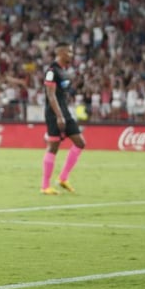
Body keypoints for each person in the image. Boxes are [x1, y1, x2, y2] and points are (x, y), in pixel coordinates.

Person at [40, 42, 86, 195]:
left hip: (65, 111)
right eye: (69, 52)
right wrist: (59, 116)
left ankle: (63, 178)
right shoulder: (52, 71)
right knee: (54, 147)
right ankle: (45, 186)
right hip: (54, 113)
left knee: (80, 143)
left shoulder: (63, 71)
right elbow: (51, 95)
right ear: (60, 53)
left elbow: (62, 93)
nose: (71, 55)